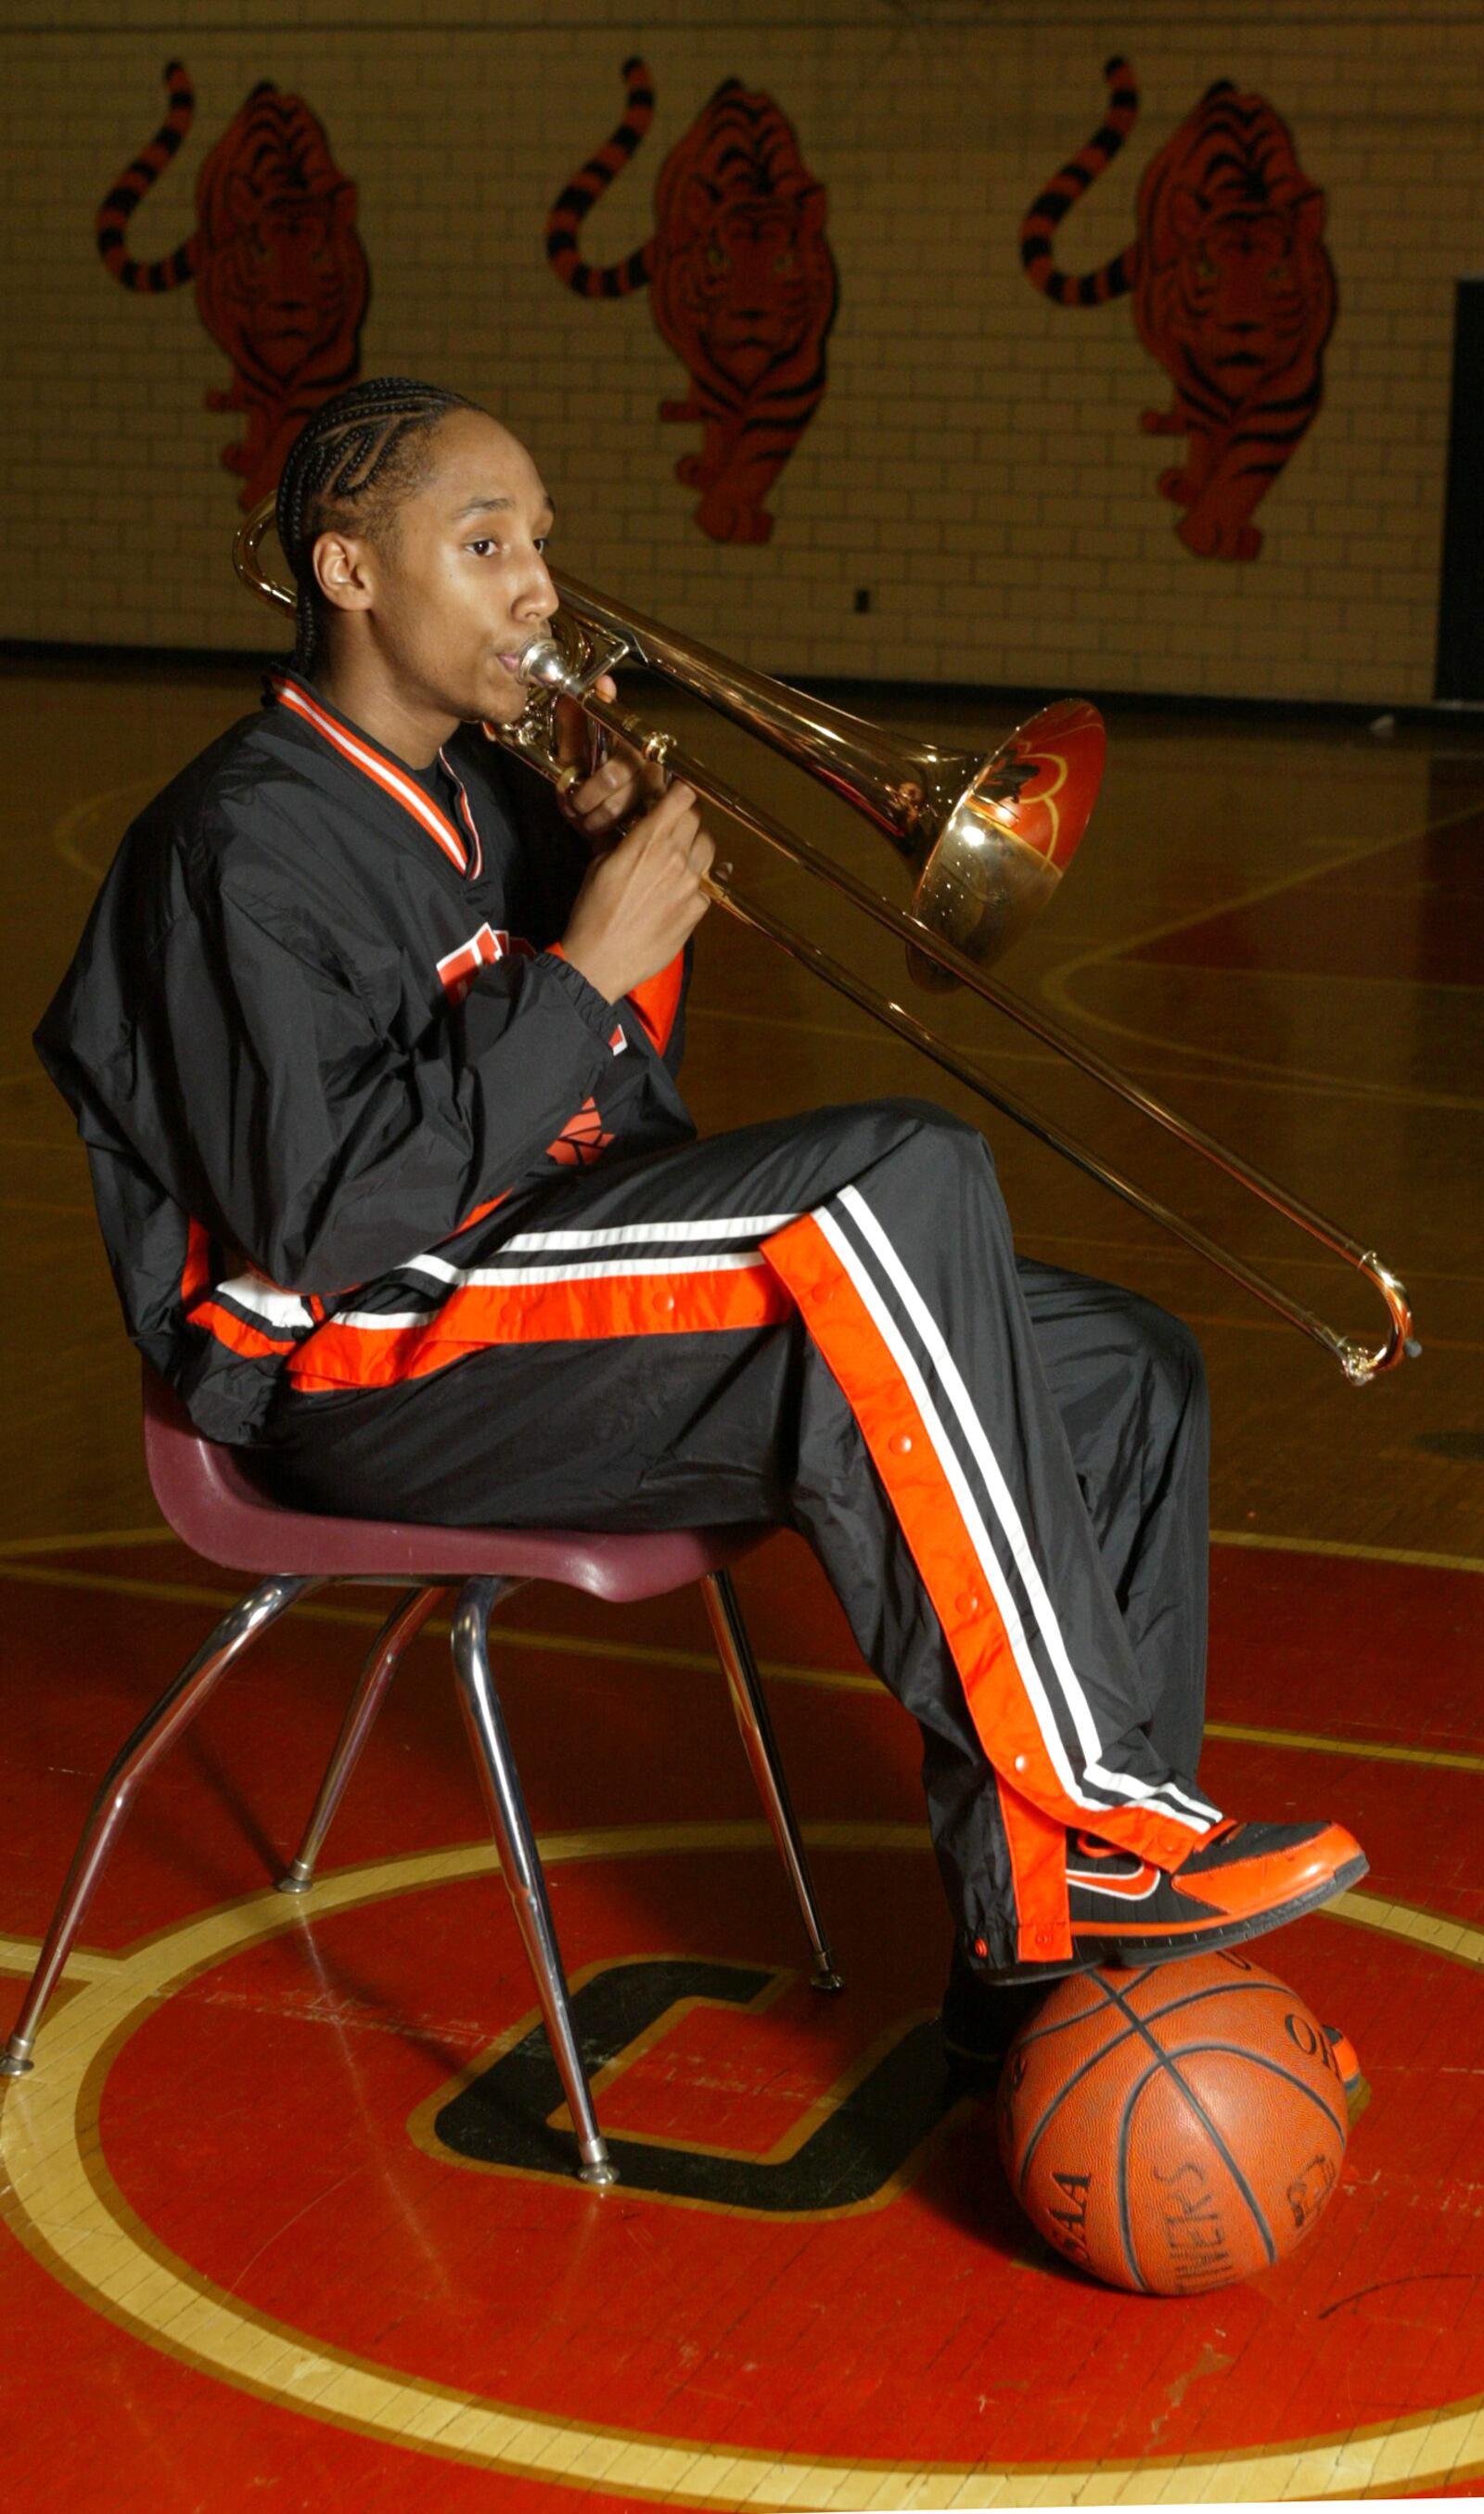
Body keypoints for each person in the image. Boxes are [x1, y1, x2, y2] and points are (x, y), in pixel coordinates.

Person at [35, 377, 1366, 2068]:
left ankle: (1040, 1961)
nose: (539, 586)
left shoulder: (496, 805)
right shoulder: (237, 842)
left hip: (531, 1300)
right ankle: (1099, 1837)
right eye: (486, 540)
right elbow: (322, 1212)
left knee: (1126, 1370)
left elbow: (615, 1137)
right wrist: (584, 966)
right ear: (349, 570)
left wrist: (631, 944)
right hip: (359, 1360)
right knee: (895, 1174)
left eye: (543, 543)